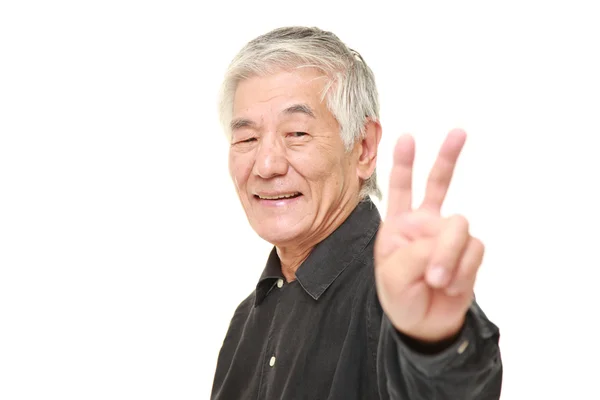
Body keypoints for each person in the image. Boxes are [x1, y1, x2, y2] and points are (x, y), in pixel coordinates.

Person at [210, 26, 502, 399]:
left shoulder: (400, 294)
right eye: (247, 138)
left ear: (363, 148)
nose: (266, 164)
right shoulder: (245, 320)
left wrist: (435, 344)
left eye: (297, 133)